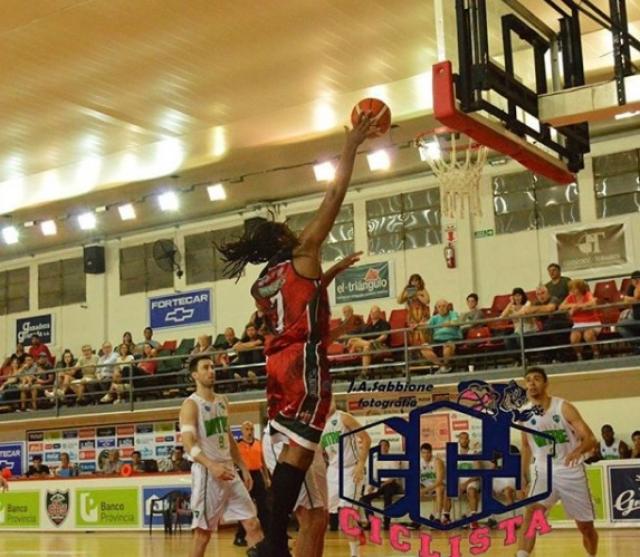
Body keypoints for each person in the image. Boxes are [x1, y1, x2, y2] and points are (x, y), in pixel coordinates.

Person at [218, 114, 373, 557]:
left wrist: (330, 274)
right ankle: (271, 542)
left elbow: (291, 306)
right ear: (280, 236)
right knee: (303, 446)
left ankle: (272, 542)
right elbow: (335, 194)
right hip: (304, 363)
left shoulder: (260, 284)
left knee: (295, 443)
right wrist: (351, 145)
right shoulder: (304, 251)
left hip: (277, 367)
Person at [179, 354, 263, 557]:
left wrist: (242, 466)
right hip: (208, 473)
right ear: (195, 375)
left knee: (252, 523)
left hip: (229, 471)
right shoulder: (191, 405)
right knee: (203, 534)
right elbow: (189, 444)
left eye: (212, 367)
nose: (211, 371)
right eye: (206, 368)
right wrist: (211, 465)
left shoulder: (223, 401)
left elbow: (228, 438)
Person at [517, 367, 599, 557]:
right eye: (528, 380)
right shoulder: (524, 415)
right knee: (531, 513)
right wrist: (522, 478)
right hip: (543, 471)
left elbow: (590, 439)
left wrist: (577, 451)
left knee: (585, 527)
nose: (531, 383)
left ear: (546, 383)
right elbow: (526, 447)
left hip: (570, 471)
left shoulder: (563, 407)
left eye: (536, 379)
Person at [321, 399, 371, 556]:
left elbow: (366, 438)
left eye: (331, 398)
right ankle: (359, 525)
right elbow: (322, 453)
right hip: (333, 471)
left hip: (351, 470)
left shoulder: (343, 417)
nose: (330, 401)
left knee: (346, 516)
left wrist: (361, 464)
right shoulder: (319, 426)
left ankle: (355, 554)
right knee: (321, 513)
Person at [234, 421, 270, 548]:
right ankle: (239, 536)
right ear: (242, 431)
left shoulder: (258, 443)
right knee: (244, 508)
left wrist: (266, 478)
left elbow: (263, 463)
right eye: (247, 429)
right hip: (245, 477)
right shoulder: (237, 445)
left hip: (258, 475)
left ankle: (267, 535)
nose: (249, 432)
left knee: (264, 507)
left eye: (251, 429)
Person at [360, 439, 402, 531]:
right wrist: (372, 485)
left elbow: (394, 478)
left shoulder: (393, 460)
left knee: (388, 496)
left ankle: (387, 523)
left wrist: (383, 484)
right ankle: (371, 521)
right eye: (381, 446)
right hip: (379, 484)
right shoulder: (375, 460)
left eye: (385, 445)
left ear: (388, 447)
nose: (383, 447)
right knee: (364, 499)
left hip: (390, 483)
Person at [560, 279, 601, 360]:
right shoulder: (570, 297)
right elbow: (561, 307)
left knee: (588, 335)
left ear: (580, 288)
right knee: (574, 339)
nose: (572, 290)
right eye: (571, 288)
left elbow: (592, 302)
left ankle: (596, 352)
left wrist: (577, 307)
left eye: (574, 288)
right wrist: (573, 305)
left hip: (592, 322)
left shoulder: (588, 294)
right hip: (578, 324)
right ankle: (579, 355)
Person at [346, 306, 391, 377]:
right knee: (354, 340)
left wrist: (374, 341)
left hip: (379, 345)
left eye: (375, 312)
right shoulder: (367, 326)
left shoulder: (384, 323)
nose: (373, 314)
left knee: (365, 347)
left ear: (379, 313)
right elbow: (355, 334)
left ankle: (364, 373)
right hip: (368, 345)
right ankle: (364, 373)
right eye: (371, 312)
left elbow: (384, 336)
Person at [420, 299, 462, 373]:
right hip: (437, 340)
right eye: (439, 306)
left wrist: (449, 323)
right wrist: (417, 325)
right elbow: (426, 324)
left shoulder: (453, 314)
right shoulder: (435, 318)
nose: (441, 308)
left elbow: (455, 321)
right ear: (437, 308)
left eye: (443, 306)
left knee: (447, 347)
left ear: (448, 307)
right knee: (424, 348)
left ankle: (445, 365)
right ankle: (441, 366)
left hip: (452, 339)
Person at [500, 287, 536, 357]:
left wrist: (513, 315)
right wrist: (510, 303)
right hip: (518, 332)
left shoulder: (528, 303)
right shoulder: (511, 307)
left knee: (520, 338)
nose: (517, 298)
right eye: (515, 296)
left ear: (522, 296)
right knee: (508, 339)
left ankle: (526, 358)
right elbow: (503, 316)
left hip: (529, 331)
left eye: (519, 295)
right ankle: (518, 359)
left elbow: (522, 313)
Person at [397, 273, 430, 345]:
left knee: (424, 338)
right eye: (412, 281)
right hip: (412, 318)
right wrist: (404, 290)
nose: (414, 283)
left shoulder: (423, 290)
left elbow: (426, 301)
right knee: (413, 338)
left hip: (422, 318)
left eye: (416, 281)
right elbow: (399, 301)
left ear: (419, 282)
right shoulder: (409, 291)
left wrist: (417, 294)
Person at [618, 270, 640, 353]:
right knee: (621, 325)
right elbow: (625, 300)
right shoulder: (632, 286)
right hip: (636, 318)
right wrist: (636, 299)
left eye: (638, 280)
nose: (636, 282)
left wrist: (634, 299)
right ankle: (638, 344)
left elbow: (636, 295)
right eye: (634, 281)